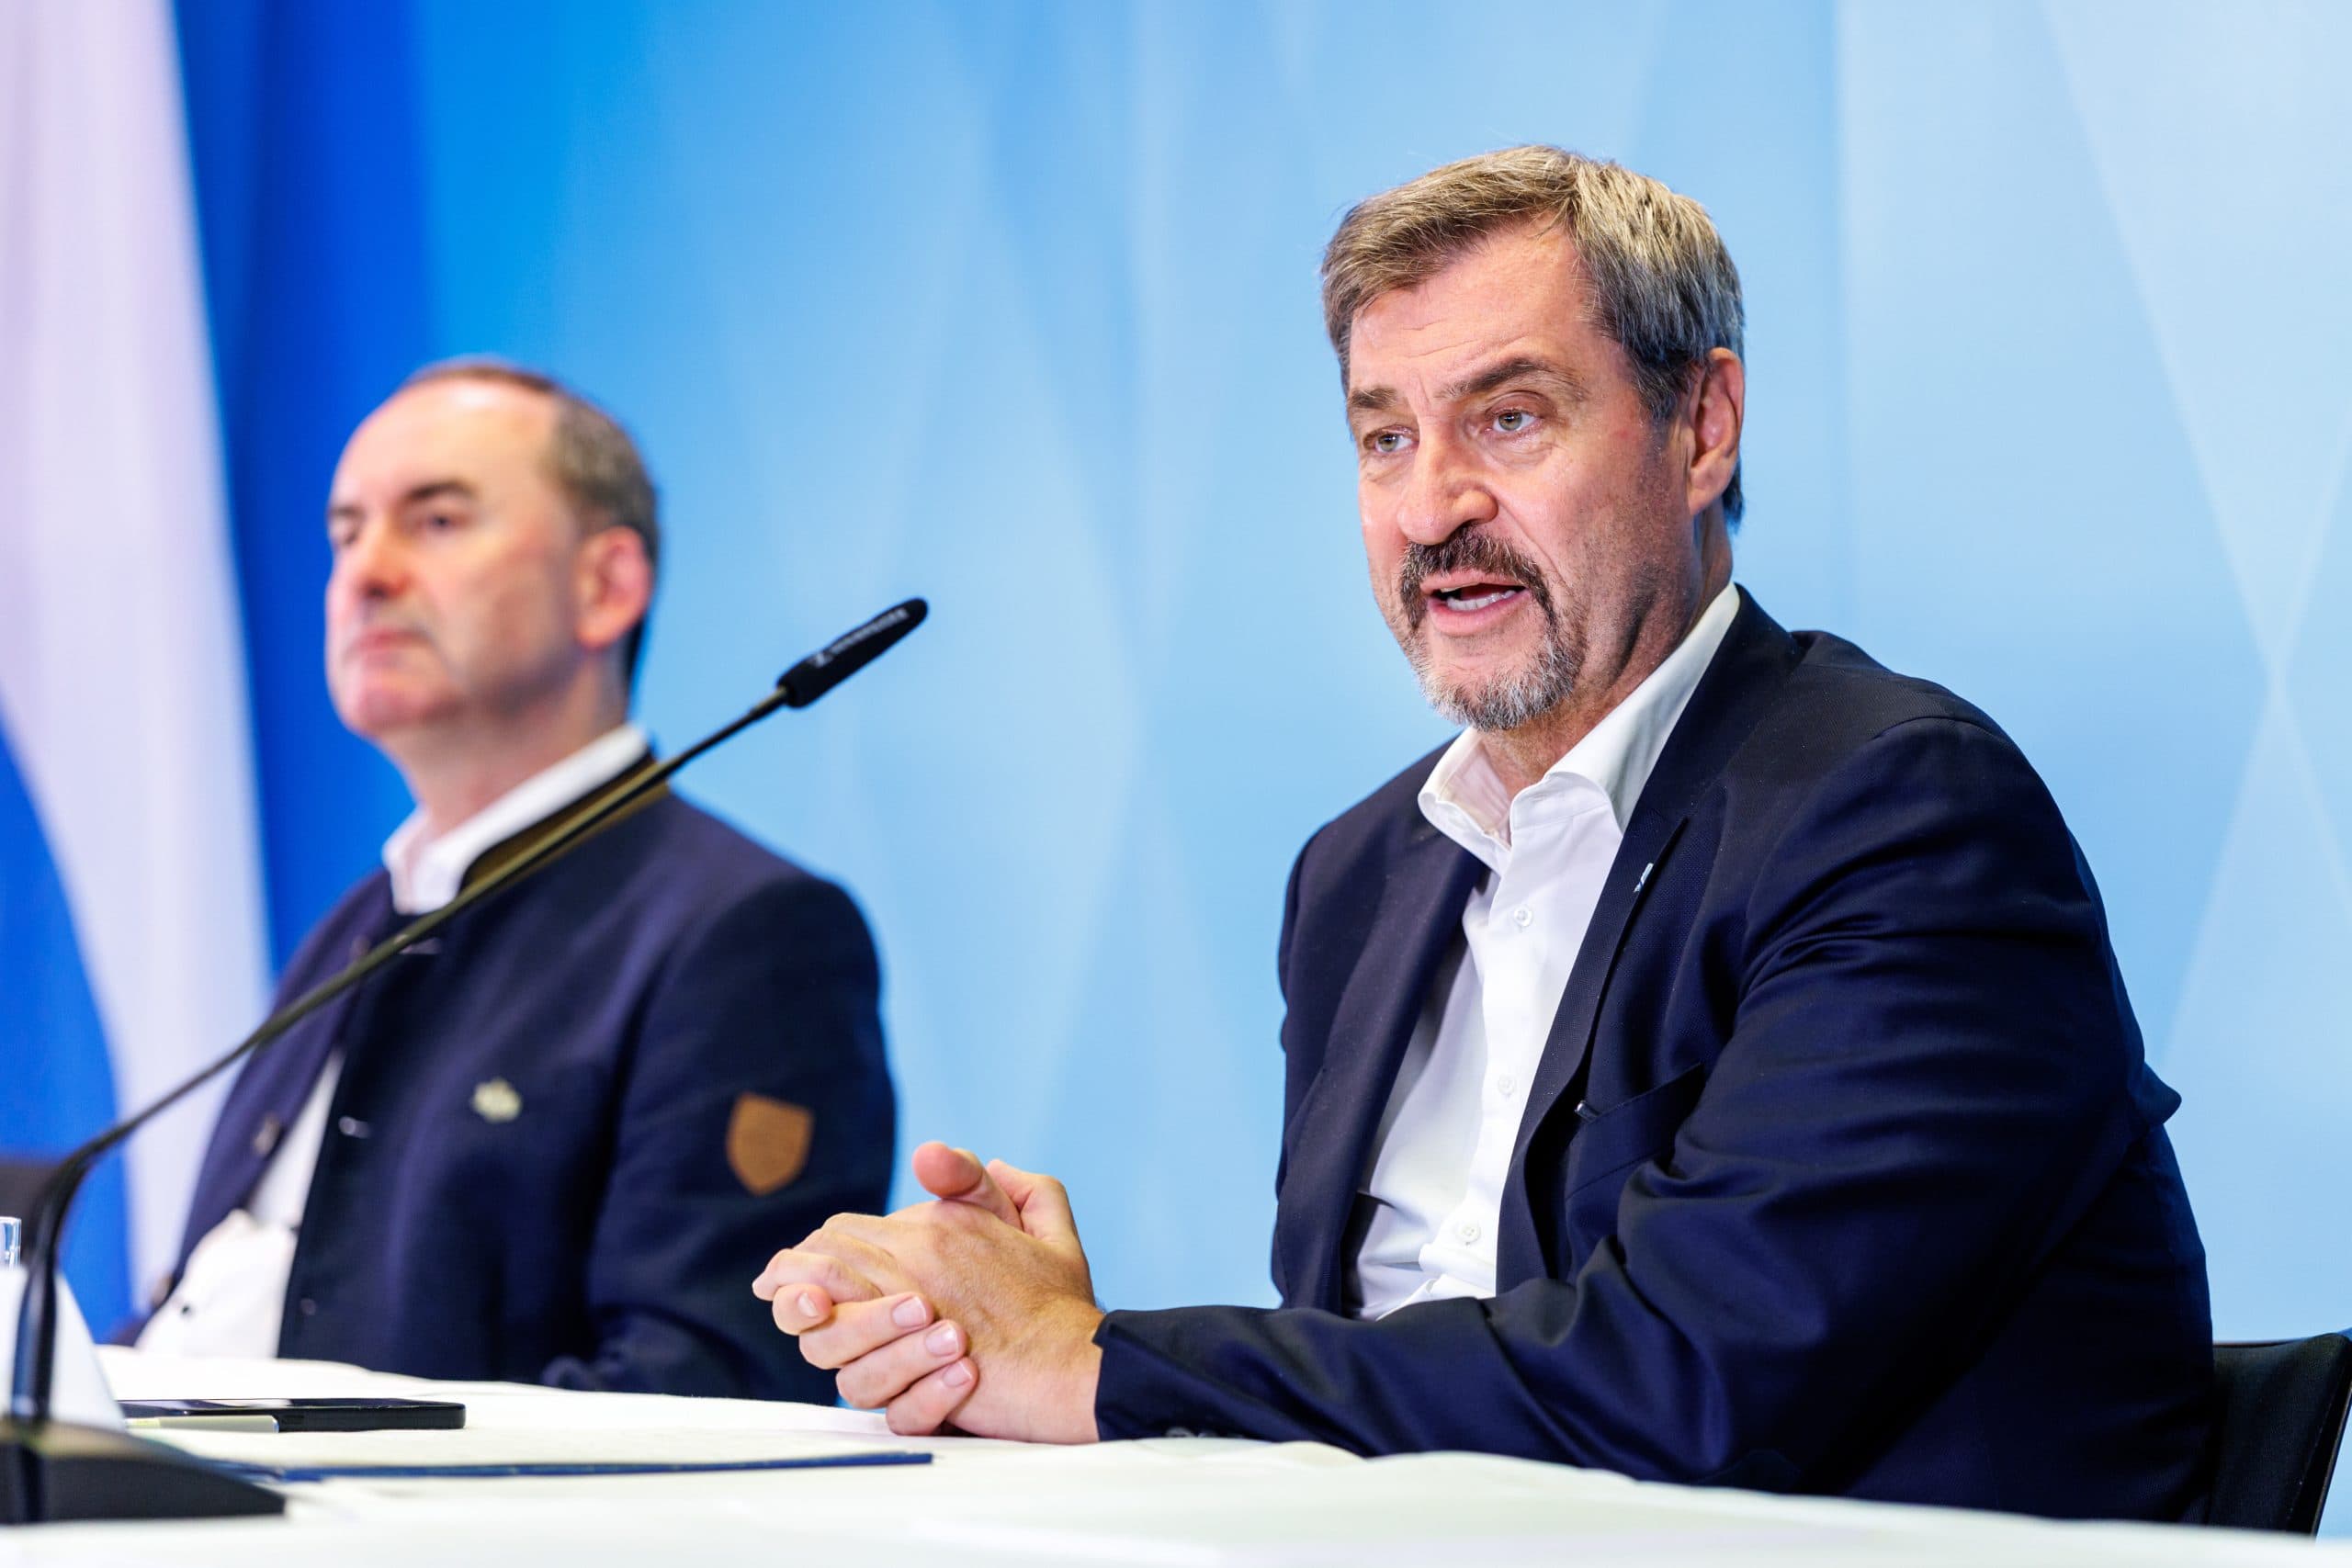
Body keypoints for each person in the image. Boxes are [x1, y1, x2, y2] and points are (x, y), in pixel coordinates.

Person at [752, 147, 2215, 1518]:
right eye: (1383, 437)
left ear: (1700, 425)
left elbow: (1680, 1390)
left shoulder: (1896, 813)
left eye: (1508, 417)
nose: (1433, 505)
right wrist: (1025, 1333)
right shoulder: (1361, 872)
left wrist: (1100, 1364)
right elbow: (1387, 1372)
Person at [143, 360, 893, 1401]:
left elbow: (707, 1390)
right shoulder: (355, 928)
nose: (367, 573)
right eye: (345, 532)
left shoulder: (747, 934)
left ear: (606, 586)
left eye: (437, 522)